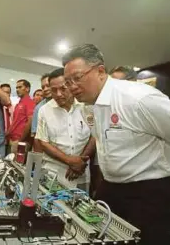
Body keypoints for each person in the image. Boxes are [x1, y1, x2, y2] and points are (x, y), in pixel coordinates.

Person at [63, 43, 170, 245]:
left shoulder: (138, 99)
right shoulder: (87, 106)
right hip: (111, 188)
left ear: (100, 71)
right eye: (68, 82)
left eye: (77, 78)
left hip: (149, 192)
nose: (72, 87)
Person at [35, 68, 95, 191]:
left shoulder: (87, 106)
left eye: (63, 89)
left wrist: (80, 162)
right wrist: (70, 161)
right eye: (54, 90)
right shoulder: (44, 110)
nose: (58, 94)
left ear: (71, 85)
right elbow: (43, 142)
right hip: (53, 173)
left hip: (80, 174)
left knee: (81, 208)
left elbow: (94, 135)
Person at [6, 79, 35, 154]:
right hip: (13, 140)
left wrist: (20, 140)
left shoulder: (29, 102)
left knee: (17, 164)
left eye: (20, 87)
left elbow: (30, 121)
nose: (17, 90)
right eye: (16, 88)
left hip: (21, 142)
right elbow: (15, 122)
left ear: (27, 88)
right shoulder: (19, 104)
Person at [31, 73, 51, 152]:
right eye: (43, 87)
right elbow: (36, 137)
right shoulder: (39, 108)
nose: (45, 89)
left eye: (48, 85)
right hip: (45, 153)